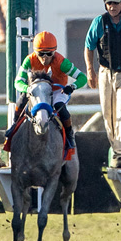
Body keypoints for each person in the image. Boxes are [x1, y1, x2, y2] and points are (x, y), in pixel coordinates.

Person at [11, 31, 87, 160]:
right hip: (36, 90)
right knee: (21, 100)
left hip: (57, 90)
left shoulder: (62, 62)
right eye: (41, 54)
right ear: (35, 52)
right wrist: (27, 88)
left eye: (49, 54)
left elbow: (82, 77)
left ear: (55, 52)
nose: (45, 58)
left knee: (59, 105)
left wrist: (72, 87)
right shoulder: (29, 60)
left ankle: (69, 135)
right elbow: (17, 82)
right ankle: (14, 128)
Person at [84, 0, 121, 168]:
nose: (112, 7)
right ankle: (117, 149)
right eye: (109, 3)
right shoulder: (99, 22)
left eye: (115, 3)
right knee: (108, 114)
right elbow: (89, 47)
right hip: (106, 72)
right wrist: (90, 70)